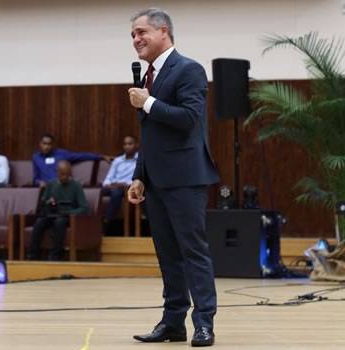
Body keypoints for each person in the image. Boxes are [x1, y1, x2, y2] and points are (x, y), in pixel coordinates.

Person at [127, 8, 219, 347]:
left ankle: (204, 323)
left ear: (163, 31)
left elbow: (190, 119)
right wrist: (139, 176)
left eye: (141, 32)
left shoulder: (189, 69)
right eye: (133, 35)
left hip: (185, 178)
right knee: (168, 255)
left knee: (193, 251)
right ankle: (173, 323)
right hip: (156, 181)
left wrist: (148, 102)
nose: (136, 40)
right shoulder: (148, 77)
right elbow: (150, 136)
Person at [28, 160, 89, 261]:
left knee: (59, 222)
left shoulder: (76, 186)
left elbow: (84, 208)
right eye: (62, 174)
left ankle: (55, 255)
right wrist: (48, 201)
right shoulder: (51, 184)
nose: (65, 177)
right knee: (39, 222)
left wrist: (69, 213)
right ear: (57, 173)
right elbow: (43, 202)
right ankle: (32, 254)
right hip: (52, 212)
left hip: (67, 214)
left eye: (67, 174)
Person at [32, 133, 110, 188]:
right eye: (44, 144)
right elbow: (35, 179)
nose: (46, 147)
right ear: (40, 144)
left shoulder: (61, 154)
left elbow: (81, 156)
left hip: (61, 186)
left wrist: (101, 156)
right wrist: (39, 183)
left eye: (49, 144)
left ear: (52, 145)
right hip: (46, 188)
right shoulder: (36, 157)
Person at [102, 135, 138, 231]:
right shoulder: (117, 160)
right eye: (125, 144)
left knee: (117, 193)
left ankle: (106, 222)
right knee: (97, 192)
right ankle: (90, 221)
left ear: (136, 145)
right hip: (113, 186)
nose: (127, 146)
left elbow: (138, 179)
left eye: (130, 144)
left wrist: (122, 184)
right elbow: (108, 178)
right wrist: (109, 184)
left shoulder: (140, 160)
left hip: (128, 188)